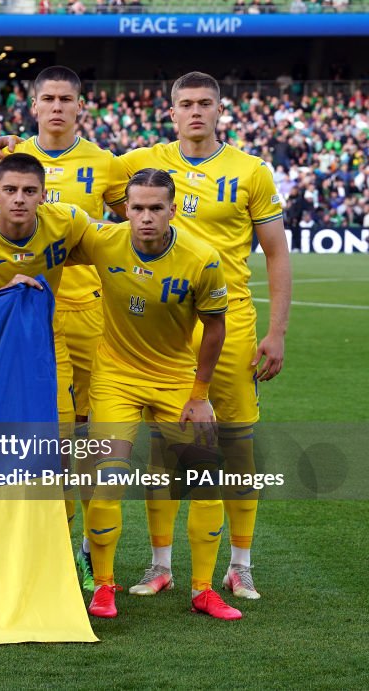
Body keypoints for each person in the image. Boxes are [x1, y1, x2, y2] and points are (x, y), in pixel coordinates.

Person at [108, 71, 291, 600]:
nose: (194, 112)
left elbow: (276, 253)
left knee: (234, 441)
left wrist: (276, 332)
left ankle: (240, 564)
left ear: (219, 111)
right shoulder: (142, 163)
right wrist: (14, 146)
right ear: (170, 112)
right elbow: (77, 166)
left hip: (228, 320)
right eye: (185, 103)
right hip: (163, 324)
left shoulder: (250, 171)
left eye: (204, 103)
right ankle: (160, 564)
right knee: (166, 445)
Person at [69, 169, 239, 621]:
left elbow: (216, 327)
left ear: (173, 208)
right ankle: (103, 587)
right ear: (124, 208)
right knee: (108, 478)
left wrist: (200, 393)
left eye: (154, 208)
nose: (144, 217)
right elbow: (42, 244)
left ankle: (204, 590)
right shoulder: (104, 241)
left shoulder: (201, 258)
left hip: (177, 379)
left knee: (206, 481)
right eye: (136, 208)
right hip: (116, 376)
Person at [0, 66, 122, 590]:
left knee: (84, 435)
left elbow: (123, 226)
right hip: (24, 312)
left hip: (86, 309)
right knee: (32, 434)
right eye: (49, 98)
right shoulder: (8, 156)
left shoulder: (106, 163)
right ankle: (31, 545)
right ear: (34, 105)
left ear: (80, 106)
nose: (58, 106)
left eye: (68, 98)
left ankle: (86, 551)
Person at [0, 152, 91, 436]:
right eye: (10, 190)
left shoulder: (68, 220)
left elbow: (111, 241)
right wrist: (5, 295)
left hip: (46, 337)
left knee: (60, 432)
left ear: (43, 195)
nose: (19, 199)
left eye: (29, 191)